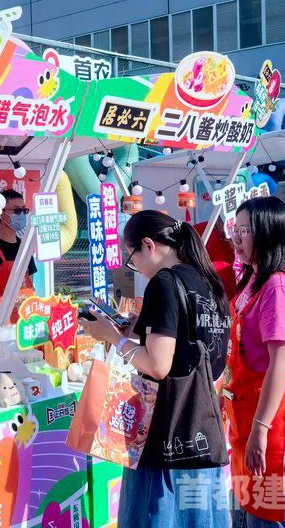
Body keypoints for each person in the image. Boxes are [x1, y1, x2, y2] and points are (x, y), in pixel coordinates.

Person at [82, 210, 231, 528]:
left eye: (132, 257)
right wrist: (138, 332)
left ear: (148, 245)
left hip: (165, 433)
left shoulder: (164, 283)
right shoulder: (206, 280)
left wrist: (112, 338)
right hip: (201, 428)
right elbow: (201, 354)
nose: (134, 266)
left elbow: (158, 366)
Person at [225, 197, 285, 528]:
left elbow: (280, 363)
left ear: (267, 232)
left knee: (276, 502)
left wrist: (261, 428)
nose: (235, 238)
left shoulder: (278, 286)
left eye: (243, 230)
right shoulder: (255, 277)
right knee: (253, 499)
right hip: (251, 409)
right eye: (235, 229)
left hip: (275, 416)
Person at [0, 189, 37, 315]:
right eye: (16, 211)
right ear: (0, 212)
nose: (22, 215)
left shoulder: (24, 247)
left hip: (27, 319)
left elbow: (31, 285)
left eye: (24, 210)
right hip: (1, 321)